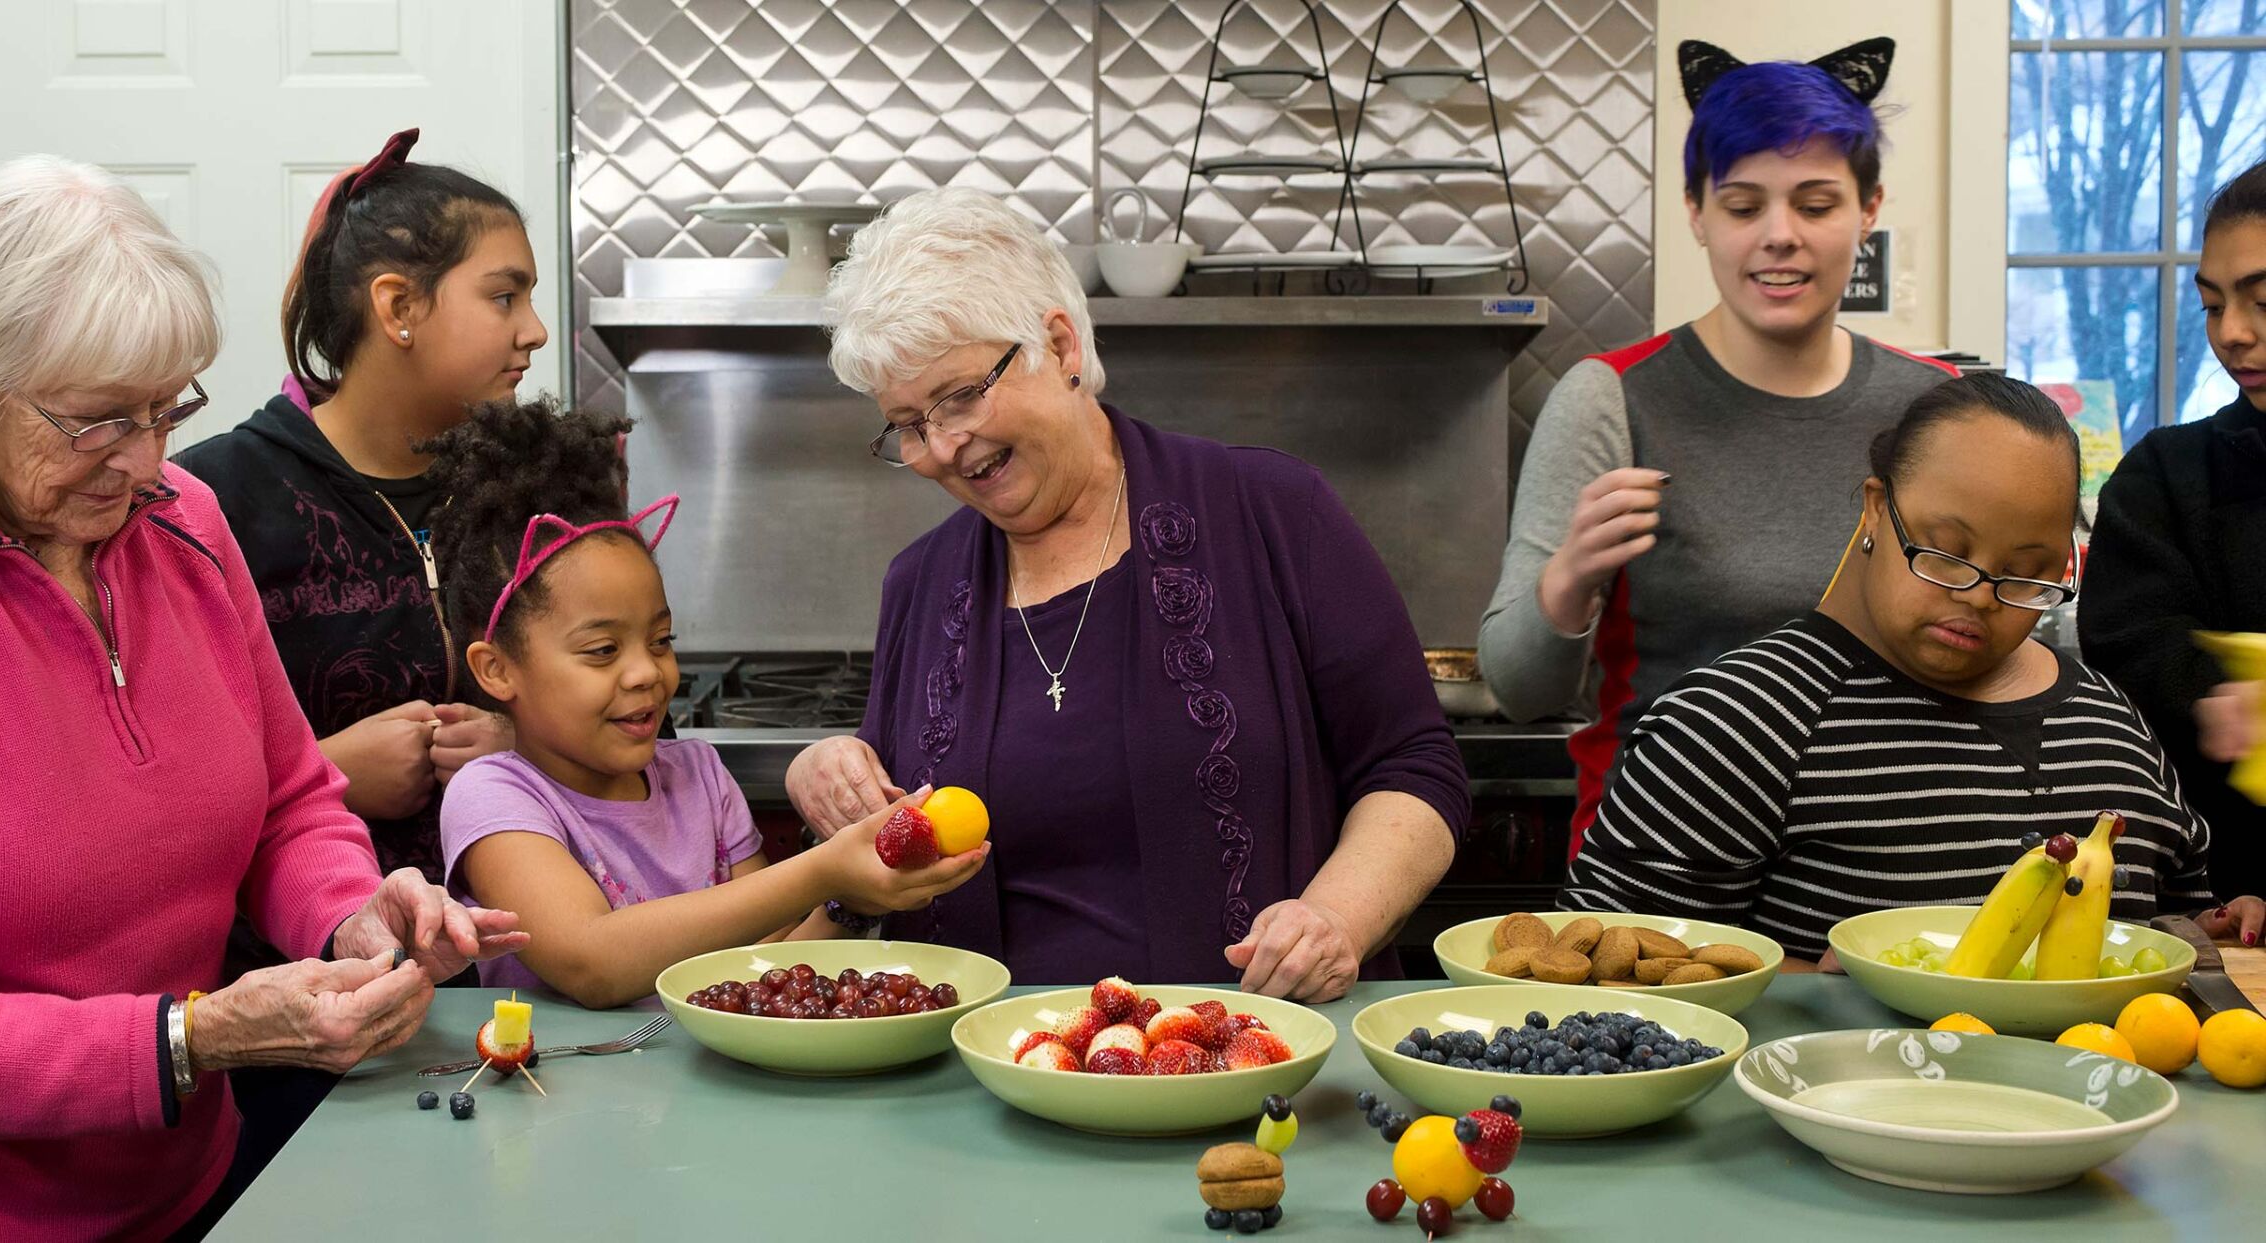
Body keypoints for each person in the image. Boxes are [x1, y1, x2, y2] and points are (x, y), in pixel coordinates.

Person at [0, 156, 522, 1241]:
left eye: (164, 409)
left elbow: (287, 797)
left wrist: (348, 912)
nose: (146, 461)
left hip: (168, 1186)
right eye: (97, 421)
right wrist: (192, 1038)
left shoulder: (179, 520)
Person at [789, 187, 1468, 1001]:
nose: (941, 447)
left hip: (1249, 1048)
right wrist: (827, 772)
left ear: (1060, 343)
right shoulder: (920, 585)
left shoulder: (1270, 510)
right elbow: (887, 844)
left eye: (961, 395)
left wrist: (1336, 917)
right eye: (906, 423)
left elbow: (1414, 766)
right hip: (994, 1070)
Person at [1561, 373, 2264, 958]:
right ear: (1875, 512)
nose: (1980, 599)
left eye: (2026, 575)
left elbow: (2171, 914)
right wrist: (1815, 990)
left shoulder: (2110, 722)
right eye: (1945, 552)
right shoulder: (1738, 720)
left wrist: (2210, 931)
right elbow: (1604, 967)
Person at [1479, 38, 1957, 853]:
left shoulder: (1934, 404)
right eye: (1743, 207)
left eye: (1815, 204)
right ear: (1697, 212)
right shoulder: (1611, 397)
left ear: (1868, 209)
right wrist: (1569, 581)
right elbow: (1519, 690)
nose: (1780, 236)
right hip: (1663, 879)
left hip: (1886, 870)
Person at [427, 400, 987, 1008]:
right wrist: (825, 869)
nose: (646, 672)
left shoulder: (698, 776)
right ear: (497, 669)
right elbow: (592, 961)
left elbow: (768, 963)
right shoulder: (494, 796)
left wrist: (853, 899)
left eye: (661, 640)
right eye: (602, 649)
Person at [177, 128, 544, 886]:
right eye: (505, 296)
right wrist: (325, 769)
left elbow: (639, 724)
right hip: (295, 969)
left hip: (529, 956)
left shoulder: (540, 487)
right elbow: (148, 784)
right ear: (398, 305)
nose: (534, 330)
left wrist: (526, 745)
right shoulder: (212, 500)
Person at [2082, 156, 2266, 929]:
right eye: (2212, 304)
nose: (2233, 333)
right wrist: (2210, 692)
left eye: (2262, 300)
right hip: (2226, 900)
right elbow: (2128, 651)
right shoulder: (2168, 472)